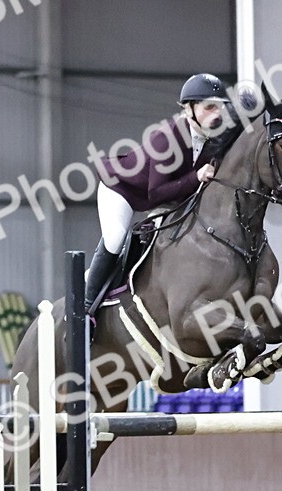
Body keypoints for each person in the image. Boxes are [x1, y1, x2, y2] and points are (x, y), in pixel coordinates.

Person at [83, 73, 233, 320]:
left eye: (220, 108)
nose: (217, 115)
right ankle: (86, 307)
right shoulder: (167, 137)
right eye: (209, 107)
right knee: (116, 238)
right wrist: (197, 177)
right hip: (121, 189)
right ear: (189, 109)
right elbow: (156, 192)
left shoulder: (215, 140)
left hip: (162, 200)